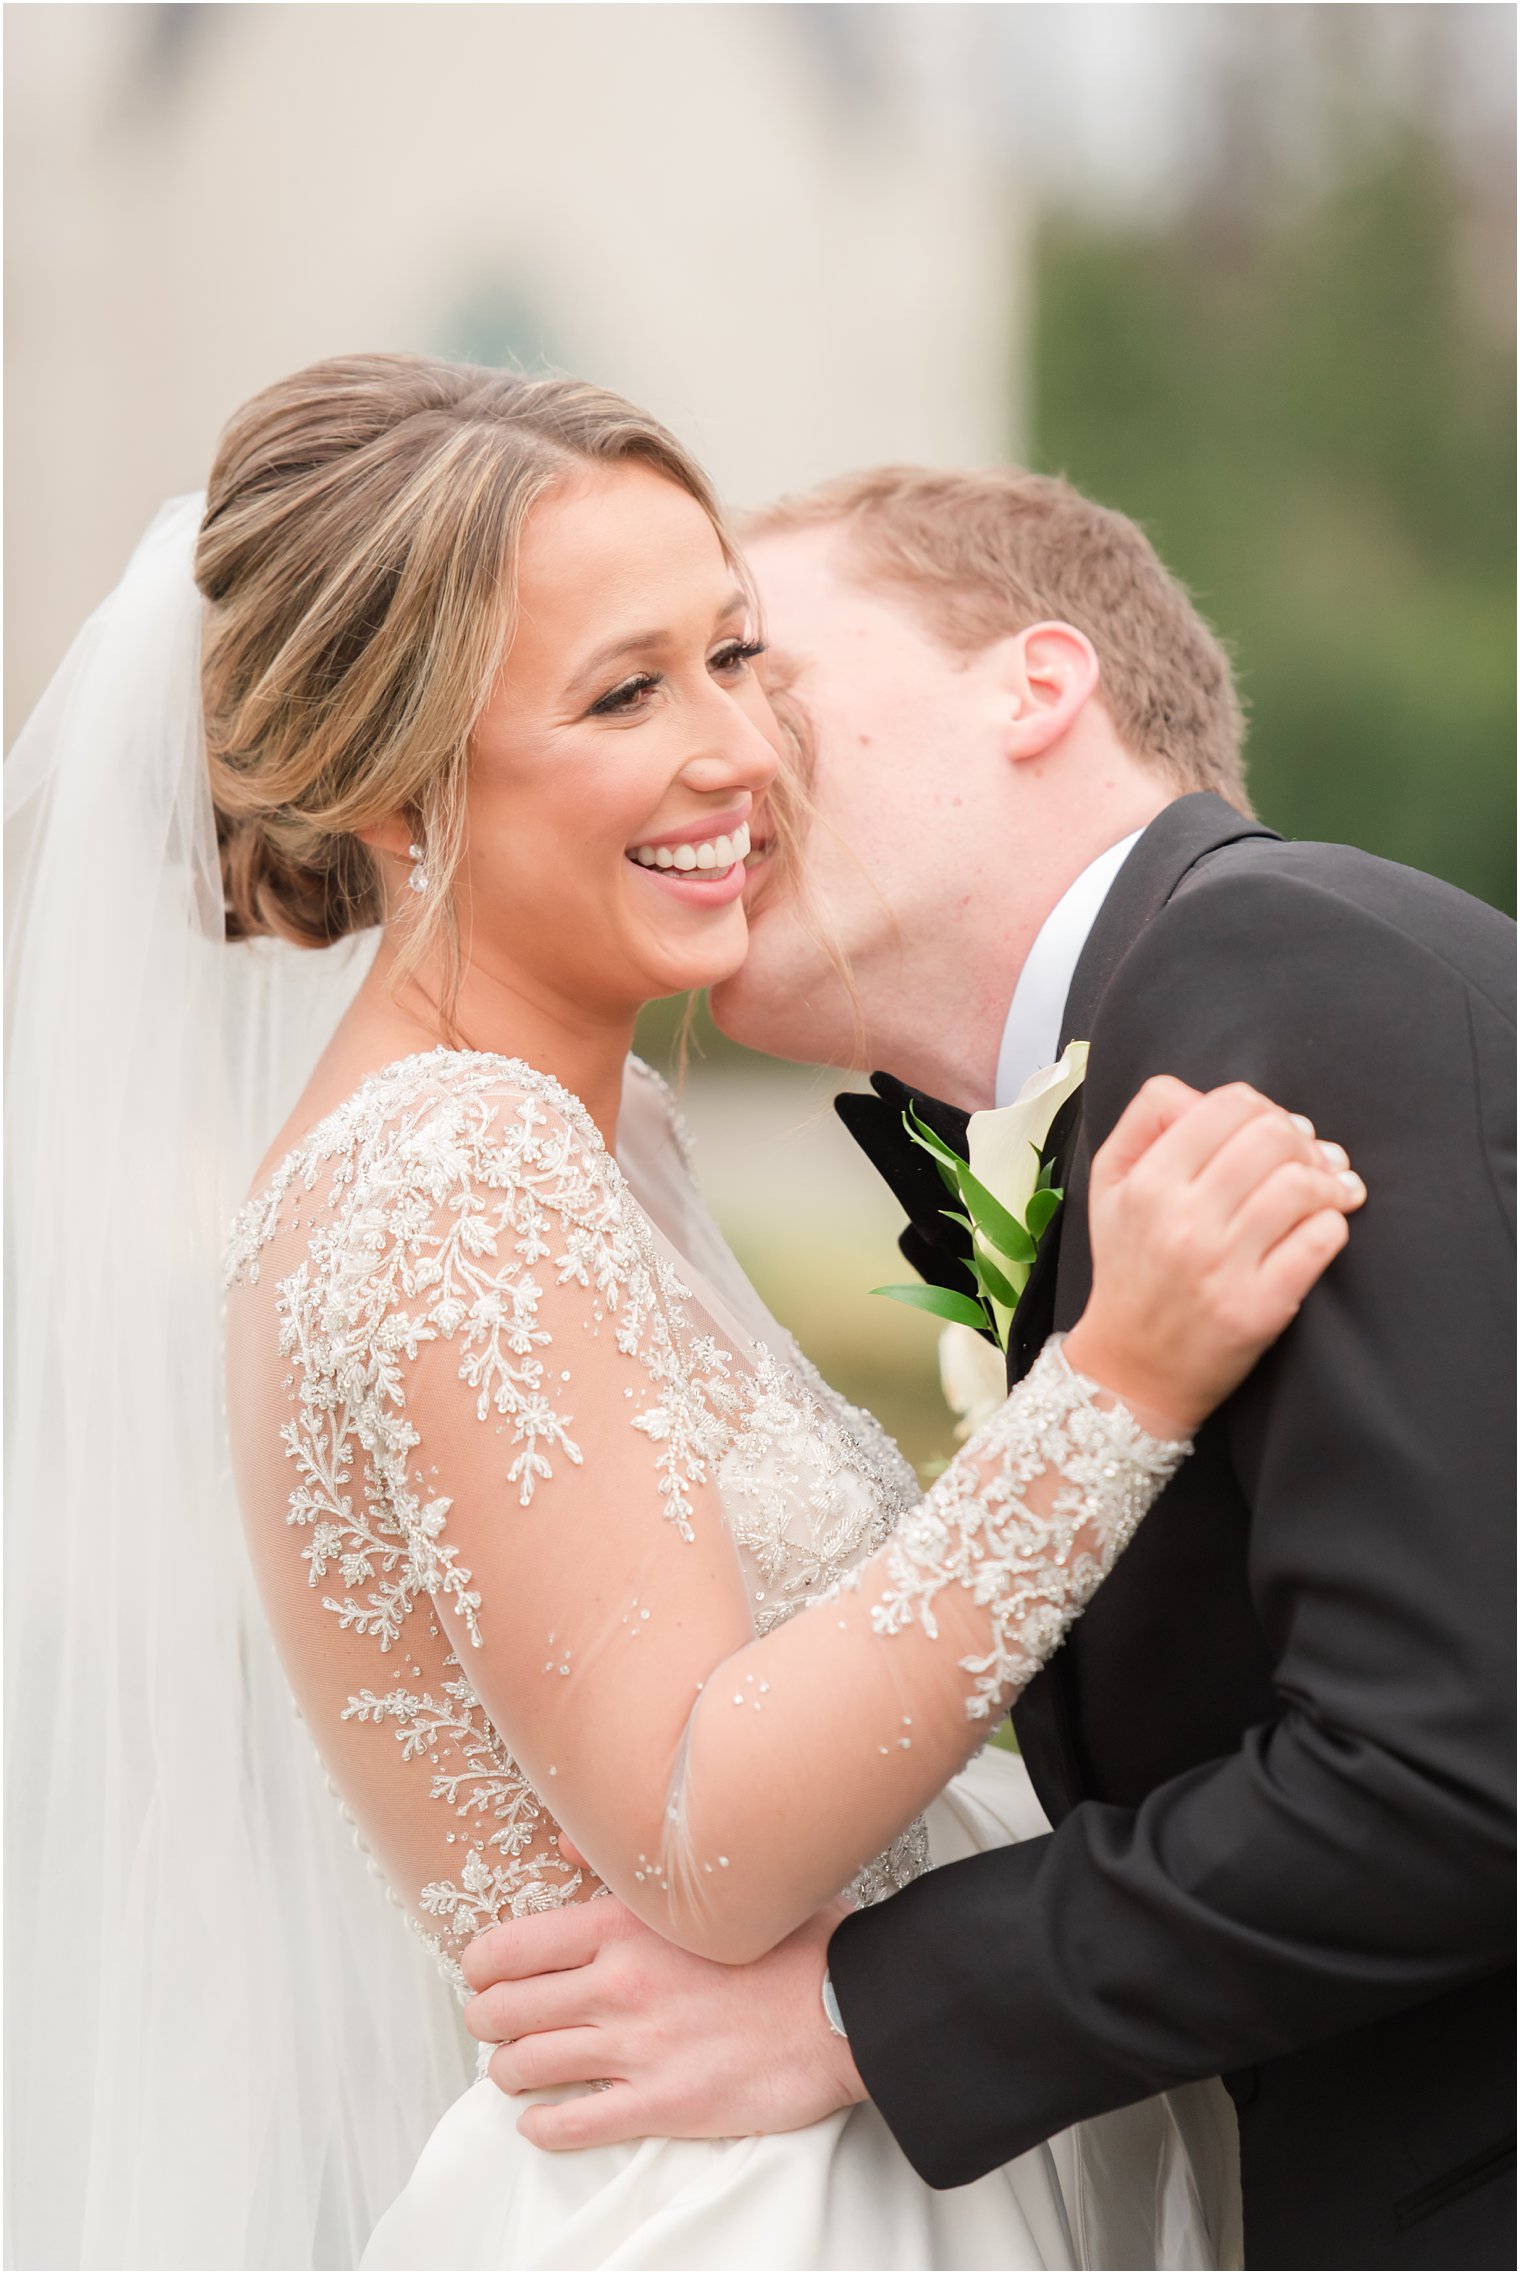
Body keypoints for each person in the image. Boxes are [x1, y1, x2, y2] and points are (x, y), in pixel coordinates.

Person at [4, 360, 1363, 2274]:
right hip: (734, 2207)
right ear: (400, 782)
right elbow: (703, 1833)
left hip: (846, 2136)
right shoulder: (454, 1167)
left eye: (735, 655)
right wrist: (1121, 1377)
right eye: (625, 692)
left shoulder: (594, 1128)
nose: (737, 748)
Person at [461, 466, 1517, 2271]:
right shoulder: (1179, 1039)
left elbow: (1462, 1764)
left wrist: (851, 2014)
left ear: (1038, 685)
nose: (707, 755)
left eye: (755, 667)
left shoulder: (1274, 968)